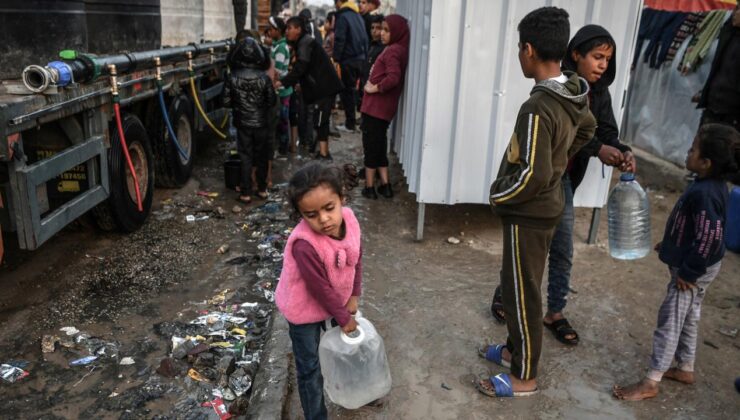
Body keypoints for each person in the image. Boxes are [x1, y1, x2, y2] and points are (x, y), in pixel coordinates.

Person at [489, 25, 637, 347]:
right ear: (575, 54)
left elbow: (596, 130)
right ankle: (510, 302)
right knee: (530, 249)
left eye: (607, 60)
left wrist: (621, 150)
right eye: (597, 57)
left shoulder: (593, 93)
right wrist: (500, 197)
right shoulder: (562, 92)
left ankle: (551, 314)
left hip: (562, 180)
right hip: (550, 180)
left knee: (556, 248)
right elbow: (551, 156)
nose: (602, 65)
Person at [478, 7, 596, 398]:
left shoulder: (537, 108)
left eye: (518, 48)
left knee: (521, 294)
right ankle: (514, 351)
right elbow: (589, 128)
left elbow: (531, 175)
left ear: (528, 50)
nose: (518, 54)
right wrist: (560, 163)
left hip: (527, 214)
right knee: (520, 284)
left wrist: (498, 196)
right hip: (547, 208)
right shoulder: (574, 92)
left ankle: (524, 376)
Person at [613, 124, 740, 401]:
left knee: (670, 319)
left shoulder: (706, 192)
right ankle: (685, 367)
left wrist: (690, 271)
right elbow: (694, 228)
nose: (687, 152)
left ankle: (651, 381)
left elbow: (709, 235)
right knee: (689, 314)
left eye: (693, 149)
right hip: (698, 265)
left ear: (706, 163)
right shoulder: (709, 186)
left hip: (694, 270)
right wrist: (671, 244)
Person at [275, 162, 363, 420]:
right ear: (301, 214)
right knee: (309, 367)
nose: (323, 219)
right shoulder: (304, 245)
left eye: (329, 208)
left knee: (348, 347)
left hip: (339, 299)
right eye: (311, 215)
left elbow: (357, 257)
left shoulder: (351, 221)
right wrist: (344, 317)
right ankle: (316, 415)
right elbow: (320, 289)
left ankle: (355, 391)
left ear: (341, 199)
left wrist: (354, 294)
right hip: (303, 308)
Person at [278, 17, 343, 161]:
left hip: (325, 87)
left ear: (298, 29)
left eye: (289, 28)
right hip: (323, 87)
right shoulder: (302, 42)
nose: (287, 31)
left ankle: (324, 154)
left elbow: (301, 67)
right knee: (319, 120)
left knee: (320, 120)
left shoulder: (305, 42)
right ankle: (322, 152)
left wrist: (282, 82)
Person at [359, 14, 408, 199]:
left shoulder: (393, 51)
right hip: (382, 109)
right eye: (382, 29)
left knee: (371, 148)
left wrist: (375, 88)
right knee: (379, 147)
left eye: (387, 30)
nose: (382, 33)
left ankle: (370, 187)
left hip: (375, 109)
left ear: (396, 32)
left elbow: (393, 78)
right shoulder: (399, 49)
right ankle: (385, 186)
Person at [223, 37, 277, 204]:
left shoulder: (232, 77)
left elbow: (225, 101)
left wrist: (239, 106)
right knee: (260, 155)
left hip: (242, 123)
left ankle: (246, 192)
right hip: (261, 122)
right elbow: (271, 101)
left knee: (245, 156)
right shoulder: (264, 78)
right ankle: (261, 189)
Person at [693, 3, 740, 132]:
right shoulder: (729, 33)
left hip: (733, 114)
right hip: (713, 105)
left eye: (739, 10)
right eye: (736, 8)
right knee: (701, 146)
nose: (735, 13)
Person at [333, 0, 368, 132]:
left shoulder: (343, 16)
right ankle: (356, 121)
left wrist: (336, 59)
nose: (335, 6)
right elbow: (365, 38)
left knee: (347, 91)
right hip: (361, 58)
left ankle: (350, 124)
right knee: (354, 90)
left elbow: (340, 38)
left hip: (348, 59)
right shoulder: (358, 16)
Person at [267, 16, 295, 155]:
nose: (269, 31)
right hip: (279, 88)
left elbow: (276, 72)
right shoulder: (276, 45)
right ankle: (281, 146)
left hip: (282, 90)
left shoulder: (281, 48)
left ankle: (283, 149)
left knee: (282, 121)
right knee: (279, 120)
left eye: (272, 29)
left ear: (278, 31)